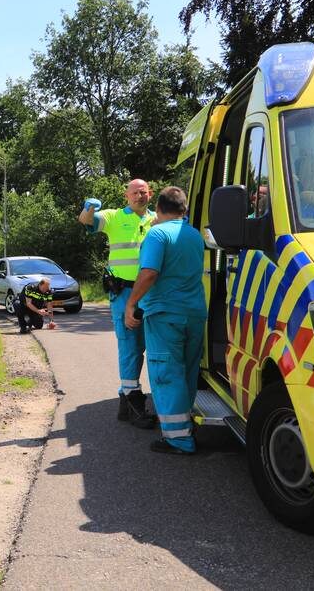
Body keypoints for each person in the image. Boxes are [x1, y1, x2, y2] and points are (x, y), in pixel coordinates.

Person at [124, 186, 207, 455]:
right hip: (194, 313)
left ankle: (178, 439)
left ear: (158, 209)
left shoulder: (157, 233)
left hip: (165, 315)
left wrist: (131, 303)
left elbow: (149, 273)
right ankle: (186, 425)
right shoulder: (194, 235)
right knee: (187, 372)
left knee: (167, 374)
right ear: (184, 210)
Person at [78, 179, 155, 428]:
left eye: (143, 192)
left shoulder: (157, 219)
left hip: (152, 292)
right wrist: (89, 207)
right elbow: (86, 221)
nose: (139, 196)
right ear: (126, 196)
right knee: (130, 346)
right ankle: (133, 402)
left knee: (147, 346)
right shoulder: (113, 216)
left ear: (150, 194)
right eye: (134, 192)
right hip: (123, 293)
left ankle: (126, 400)